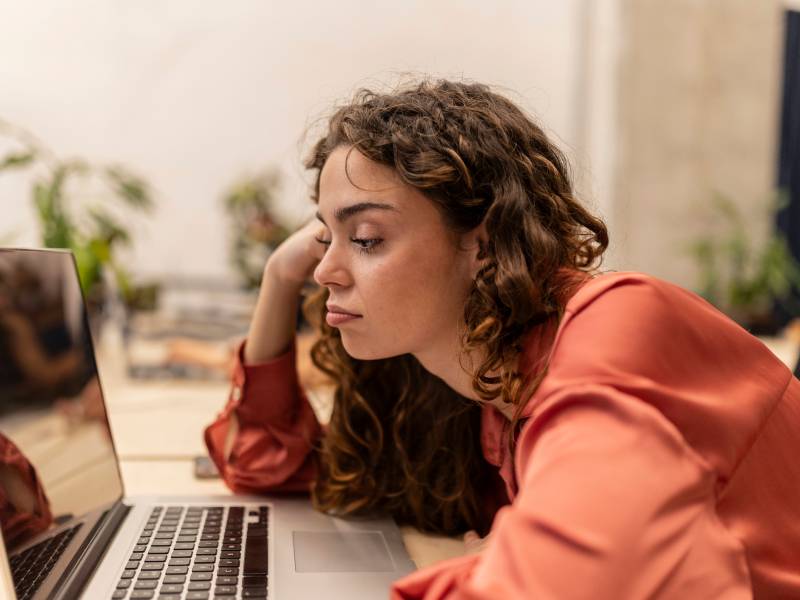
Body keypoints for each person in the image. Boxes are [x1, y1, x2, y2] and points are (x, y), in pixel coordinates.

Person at [205, 79, 800, 599]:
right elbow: (270, 467)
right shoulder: (475, 378)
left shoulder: (616, 332)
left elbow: (581, 581)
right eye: (323, 237)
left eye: (364, 239)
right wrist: (278, 281)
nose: (324, 270)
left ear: (481, 242)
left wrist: (494, 559)